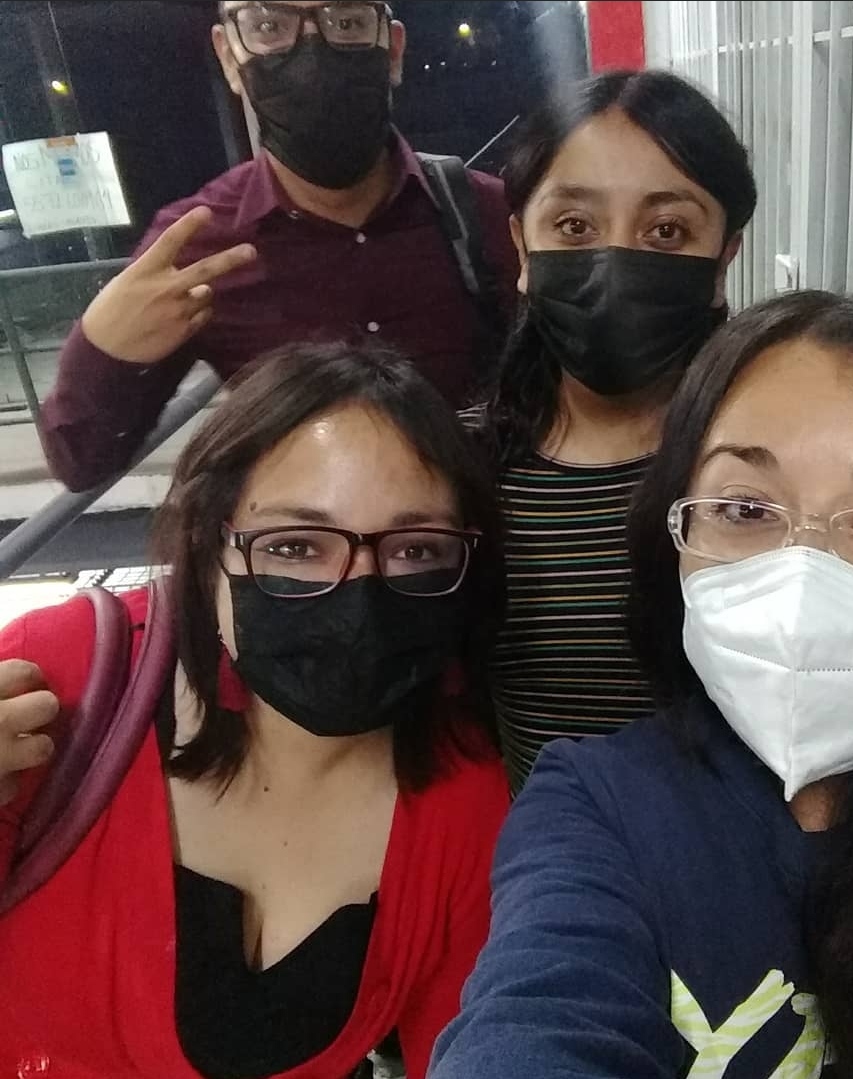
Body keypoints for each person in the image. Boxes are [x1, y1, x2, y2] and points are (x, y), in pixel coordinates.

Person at [432, 287, 853, 1079]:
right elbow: (537, 1017)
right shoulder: (601, 804)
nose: (801, 582)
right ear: (676, 535)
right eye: (744, 508)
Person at [0, 343, 510, 1078]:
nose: (357, 600)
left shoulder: (465, 806)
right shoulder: (56, 679)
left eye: (416, 549)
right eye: (295, 546)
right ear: (208, 545)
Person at [42, 0, 518, 493]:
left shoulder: (492, 214)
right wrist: (100, 349)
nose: (311, 53)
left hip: (483, 530)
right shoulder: (199, 245)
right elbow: (83, 463)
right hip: (309, 538)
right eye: (269, 25)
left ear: (393, 49)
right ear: (229, 56)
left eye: (348, 22)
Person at [470, 69, 756, 791]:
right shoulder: (459, 468)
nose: (614, 261)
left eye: (667, 231)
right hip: (545, 850)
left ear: (723, 259)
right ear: (522, 249)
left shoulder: (772, 470)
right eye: (574, 226)